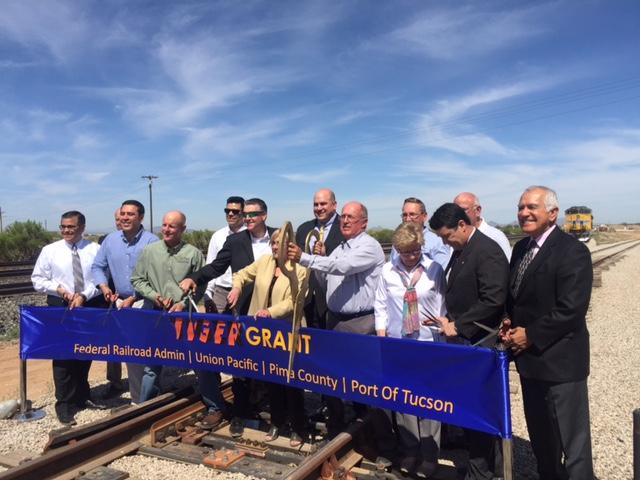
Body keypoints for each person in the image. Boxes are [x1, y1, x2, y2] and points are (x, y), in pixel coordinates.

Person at [501, 186, 594, 479]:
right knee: (542, 437)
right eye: (520, 207)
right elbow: (518, 295)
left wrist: (530, 334)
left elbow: (571, 308)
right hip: (530, 361)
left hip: (561, 361)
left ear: (552, 213)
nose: (524, 213)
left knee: (572, 441)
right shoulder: (521, 248)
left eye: (532, 207)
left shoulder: (572, 250)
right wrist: (508, 318)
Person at [287, 201, 385, 439]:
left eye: (352, 217)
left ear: (364, 222)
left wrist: (306, 258)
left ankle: (375, 432)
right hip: (335, 320)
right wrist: (320, 265)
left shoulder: (369, 246)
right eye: (343, 217)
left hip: (360, 322)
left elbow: (343, 267)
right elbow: (328, 280)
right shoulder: (340, 248)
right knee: (334, 376)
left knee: (364, 379)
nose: (345, 220)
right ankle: (339, 423)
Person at [180, 198, 276, 437]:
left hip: (275, 308)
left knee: (273, 361)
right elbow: (216, 267)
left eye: (253, 214)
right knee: (242, 360)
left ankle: (277, 412)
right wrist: (195, 277)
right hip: (244, 309)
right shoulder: (235, 241)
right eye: (246, 215)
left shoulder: (278, 236)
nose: (248, 219)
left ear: (264, 215)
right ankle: (243, 412)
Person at [428, 203, 509, 480]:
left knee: (479, 411)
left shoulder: (486, 251)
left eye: (447, 235)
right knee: (470, 409)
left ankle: (482, 473)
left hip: (479, 342)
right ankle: (483, 468)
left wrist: (458, 324)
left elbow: (493, 298)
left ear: (463, 225)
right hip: (464, 340)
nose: (444, 241)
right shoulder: (462, 250)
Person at [130, 211, 225, 427]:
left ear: (183, 229)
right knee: (152, 362)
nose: (166, 229)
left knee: (200, 360)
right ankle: (146, 408)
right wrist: (154, 296)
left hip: (184, 315)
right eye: (164, 225)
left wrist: (183, 302)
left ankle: (214, 405)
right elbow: (137, 279)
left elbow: (201, 284)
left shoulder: (193, 254)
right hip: (155, 314)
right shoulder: (149, 251)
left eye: (172, 226)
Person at [374, 222, 446, 478]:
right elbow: (380, 305)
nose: (411, 256)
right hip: (398, 343)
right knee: (404, 399)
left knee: (429, 400)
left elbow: (442, 305)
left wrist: (440, 326)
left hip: (427, 343)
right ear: (397, 250)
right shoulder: (387, 272)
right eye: (406, 252)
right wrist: (382, 335)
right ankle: (410, 450)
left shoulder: (434, 270)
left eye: (415, 251)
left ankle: (429, 455)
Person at [228, 229, 309, 447]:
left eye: (280, 244)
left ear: (290, 246)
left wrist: (270, 312)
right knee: (272, 378)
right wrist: (237, 287)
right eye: (273, 243)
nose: (275, 247)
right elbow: (241, 274)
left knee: (291, 382)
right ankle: (277, 422)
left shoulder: (300, 270)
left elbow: (295, 300)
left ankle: (298, 427)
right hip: (264, 334)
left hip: (287, 332)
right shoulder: (264, 262)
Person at [31, 211, 105, 426]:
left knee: (85, 353)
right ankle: (64, 404)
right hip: (60, 307)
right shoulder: (49, 251)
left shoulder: (95, 250)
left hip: (87, 305)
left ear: (82, 227)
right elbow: (37, 279)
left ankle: (82, 396)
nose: (66, 231)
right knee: (63, 356)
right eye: (63, 226)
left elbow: (101, 279)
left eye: (71, 227)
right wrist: (59, 289)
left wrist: (84, 295)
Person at [91, 200, 158, 404]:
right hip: (120, 303)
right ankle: (141, 398)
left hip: (144, 301)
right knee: (130, 352)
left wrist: (135, 296)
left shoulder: (152, 241)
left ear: (141, 217)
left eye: (130, 214)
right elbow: (97, 266)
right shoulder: (110, 240)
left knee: (141, 352)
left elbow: (156, 275)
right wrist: (103, 286)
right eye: (123, 214)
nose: (125, 218)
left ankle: (143, 399)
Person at [295, 188, 345, 329]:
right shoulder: (304, 229)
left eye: (323, 204)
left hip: (334, 299)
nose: (319, 208)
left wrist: (325, 256)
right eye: (315, 205)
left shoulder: (345, 228)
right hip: (307, 299)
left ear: (334, 205)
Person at [98, 207, 125, 397]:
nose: (120, 221)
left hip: (133, 297)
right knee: (112, 341)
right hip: (110, 298)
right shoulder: (106, 241)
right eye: (117, 218)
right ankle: (114, 382)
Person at [204, 196, 246, 313]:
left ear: (243, 213)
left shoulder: (250, 235)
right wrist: (208, 293)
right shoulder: (217, 236)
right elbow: (211, 264)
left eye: (235, 211)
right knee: (218, 327)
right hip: (221, 292)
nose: (230, 214)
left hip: (244, 291)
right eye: (227, 211)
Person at [390, 197, 451, 270]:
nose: (408, 219)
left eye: (412, 214)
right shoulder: (398, 241)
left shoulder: (437, 242)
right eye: (405, 215)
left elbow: (443, 272)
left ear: (424, 216)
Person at [454, 192, 511, 260]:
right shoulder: (454, 239)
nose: (457, 216)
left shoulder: (495, 237)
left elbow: (507, 267)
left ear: (478, 211)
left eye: (463, 210)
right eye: (455, 212)